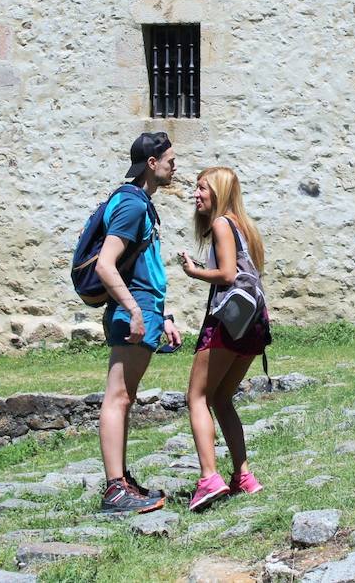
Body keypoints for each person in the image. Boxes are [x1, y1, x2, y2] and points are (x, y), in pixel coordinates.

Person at [96, 132, 183, 514]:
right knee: (117, 396)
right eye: (169, 159)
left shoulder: (139, 203)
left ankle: (122, 481)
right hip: (133, 310)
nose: (173, 165)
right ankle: (115, 489)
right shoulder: (132, 206)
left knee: (124, 397)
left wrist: (161, 316)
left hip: (145, 308)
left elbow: (143, 266)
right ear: (152, 163)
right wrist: (134, 310)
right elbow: (105, 264)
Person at [177, 166, 271, 512]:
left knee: (197, 396)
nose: (196, 194)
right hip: (253, 326)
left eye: (201, 188)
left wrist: (194, 271)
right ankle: (243, 476)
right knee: (222, 397)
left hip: (227, 323)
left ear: (217, 191)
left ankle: (208, 478)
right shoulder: (243, 226)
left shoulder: (220, 224)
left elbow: (228, 274)